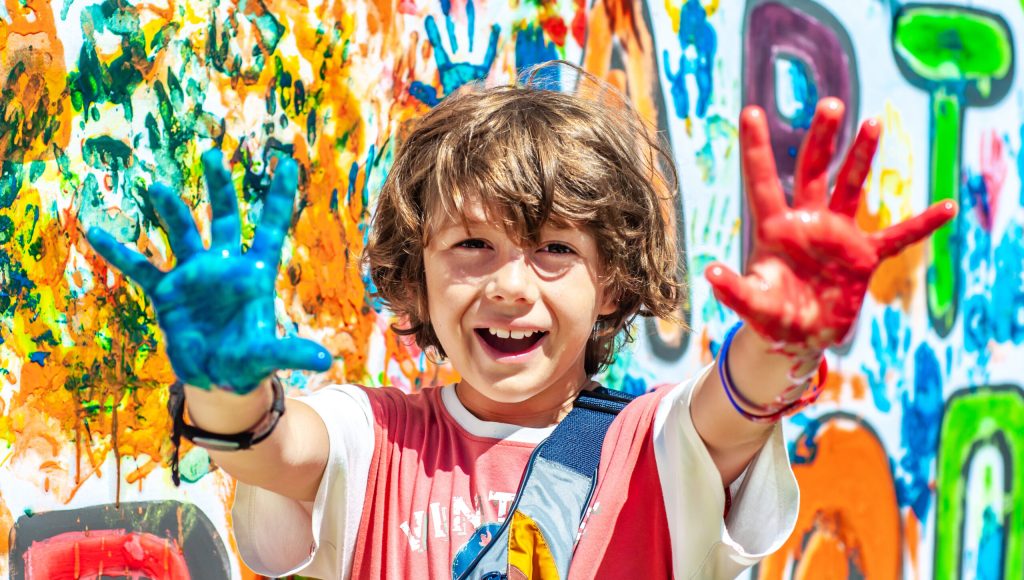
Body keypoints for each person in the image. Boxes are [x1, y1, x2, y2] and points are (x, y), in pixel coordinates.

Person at [86, 65, 955, 578]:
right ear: (415, 282)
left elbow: (735, 406)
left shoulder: (653, 445)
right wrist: (221, 384)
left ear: (612, 284)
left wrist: (781, 342)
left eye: (552, 250)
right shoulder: (374, 436)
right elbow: (276, 446)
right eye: (470, 246)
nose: (508, 285)